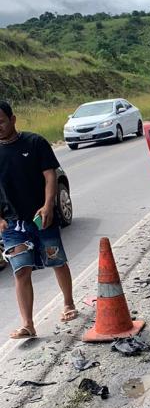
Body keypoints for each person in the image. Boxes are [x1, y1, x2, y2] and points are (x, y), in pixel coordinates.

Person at [0, 100, 76, 339]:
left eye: (1, 121)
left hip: (41, 217)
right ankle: (27, 324)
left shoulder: (35, 143)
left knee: (56, 261)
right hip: (13, 224)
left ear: (13, 119)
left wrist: (48, 205)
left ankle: (68, 304)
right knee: (21, 270)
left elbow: (50, 175)